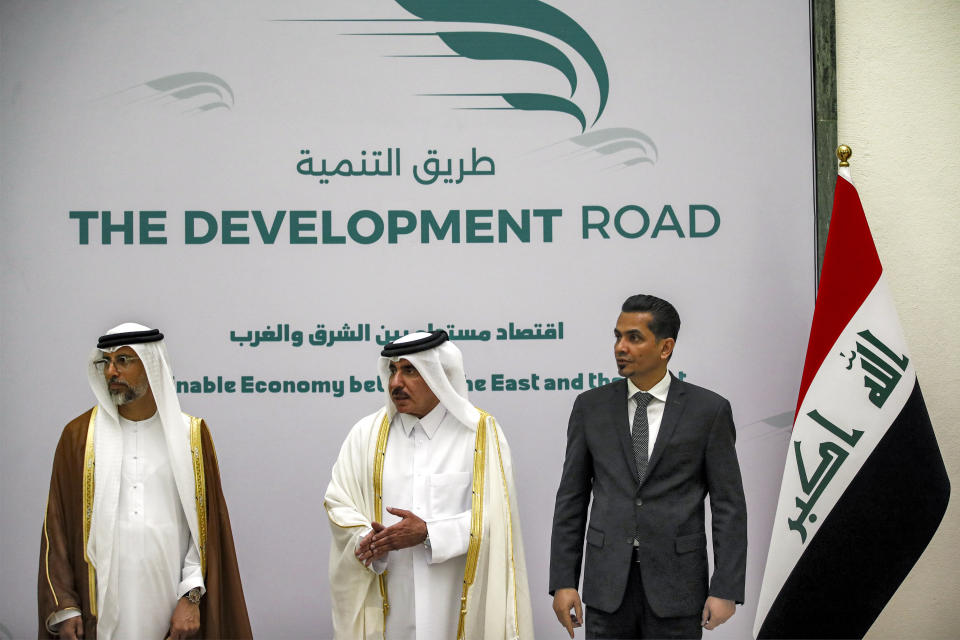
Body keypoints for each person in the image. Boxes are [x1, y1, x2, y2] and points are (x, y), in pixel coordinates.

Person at [549, 295, 747, 639]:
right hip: (607, 586)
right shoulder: (590, 408)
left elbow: (728, 505)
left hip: (678, 588)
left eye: (634, 338)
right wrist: (564, 581)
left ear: (665, 347)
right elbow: (572, 499)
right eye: (617, 336)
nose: (620, 347)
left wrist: (726, 587)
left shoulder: (708, 411)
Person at [37, 323, 252, 640]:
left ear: (152, 364)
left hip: (168, 598)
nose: (112, 371)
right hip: (99, 601)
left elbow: (205, 532)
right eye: (106, 362)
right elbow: (55, 526)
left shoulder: (191, 436)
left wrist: (190, 597)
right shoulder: (80, 436)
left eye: (124, 360)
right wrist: (65, 604)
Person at [324, 330, 533, 639]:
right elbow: (338, 501)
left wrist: (429, 533)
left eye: (410, 370)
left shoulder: (480, 434)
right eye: (393, 370)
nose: (396, 383)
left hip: (454, 606)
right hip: (389, 604)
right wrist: (367, 539)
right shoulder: (365, 435)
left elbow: (496, 519)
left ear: (440, 374)